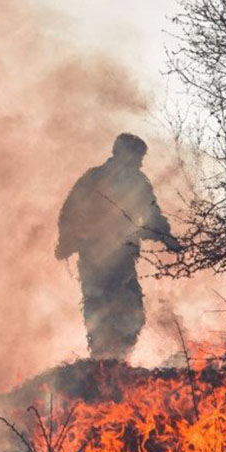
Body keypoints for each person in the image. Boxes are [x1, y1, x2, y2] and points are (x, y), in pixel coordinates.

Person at [55, 133, 181, 360]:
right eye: (137, 157)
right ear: (122, 154)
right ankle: (102, 363)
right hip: (94, 259)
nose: (140, 162)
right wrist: (66, 241)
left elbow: (152, 214)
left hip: (123, 258)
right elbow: (70, 213)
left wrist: (166, 236)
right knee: (99, 310)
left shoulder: (137, 182)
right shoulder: (94, 179)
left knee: (131, 312)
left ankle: (118, 362)